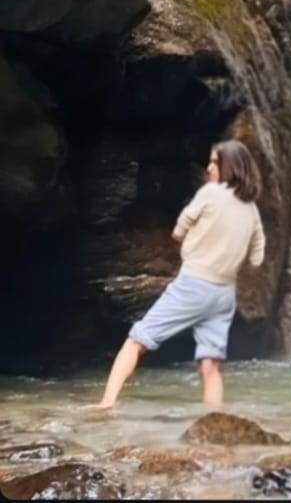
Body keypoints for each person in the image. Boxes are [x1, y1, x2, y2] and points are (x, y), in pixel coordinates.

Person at [94, 140, 265, 410]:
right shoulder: (251, 209)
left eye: (213, 162)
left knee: (136, 340)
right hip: (223, 295)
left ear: (229, 167)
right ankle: (214, 419)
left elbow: (179, 229)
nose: (208, 168)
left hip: (194, 284)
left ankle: (105, 404)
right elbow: (256, 258)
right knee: (210, 364)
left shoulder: (210, 194)